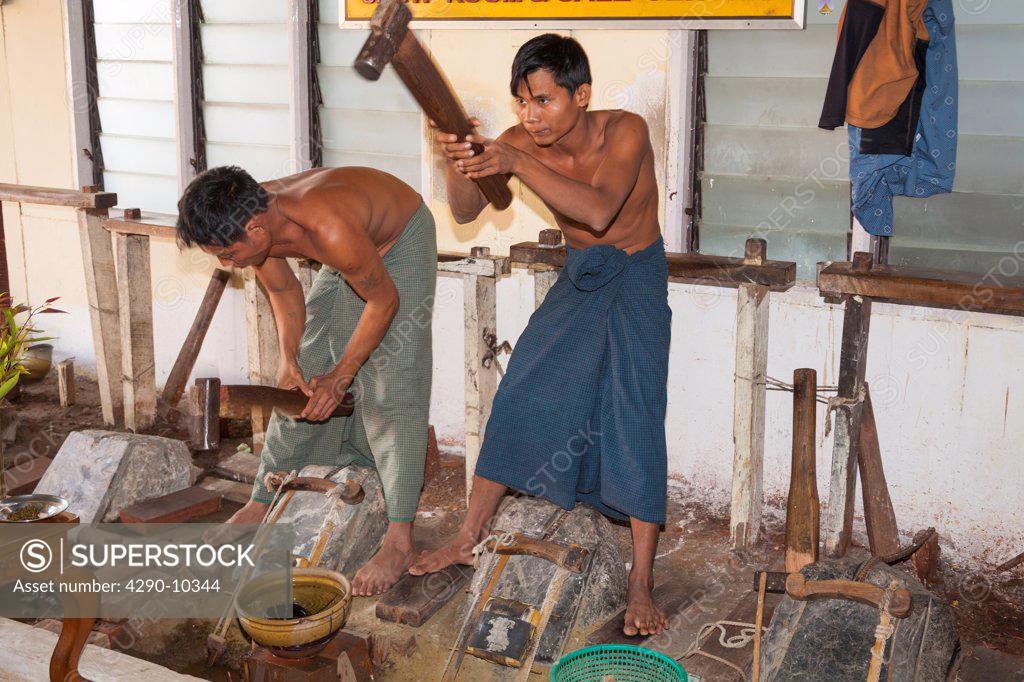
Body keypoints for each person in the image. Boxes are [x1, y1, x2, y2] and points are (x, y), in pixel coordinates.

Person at [409, 34, 671, 637]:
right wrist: (459, 161)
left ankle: (640, 580)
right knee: (523, 388)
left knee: (633, 411)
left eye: (544, 100)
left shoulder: (625, 131)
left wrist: (517, 161)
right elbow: (467, 209)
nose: (530, 116)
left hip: (636, 272)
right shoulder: (519, 141)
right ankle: (468, 535)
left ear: (582, 95)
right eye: (522, 102)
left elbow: (599, 211)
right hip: (581, 272)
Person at [176, 165, 437, 596]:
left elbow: (384, 301)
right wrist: (289, 358)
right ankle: (262, 499)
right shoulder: (253, 219)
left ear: (256, 229)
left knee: (392, 380)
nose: (226, 264)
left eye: (227, 253)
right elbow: (283, 291)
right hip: (350, 245)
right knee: (304, 373)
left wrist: (341, 376)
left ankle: (400, 540)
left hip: (400, 236)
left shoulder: (326, 227)